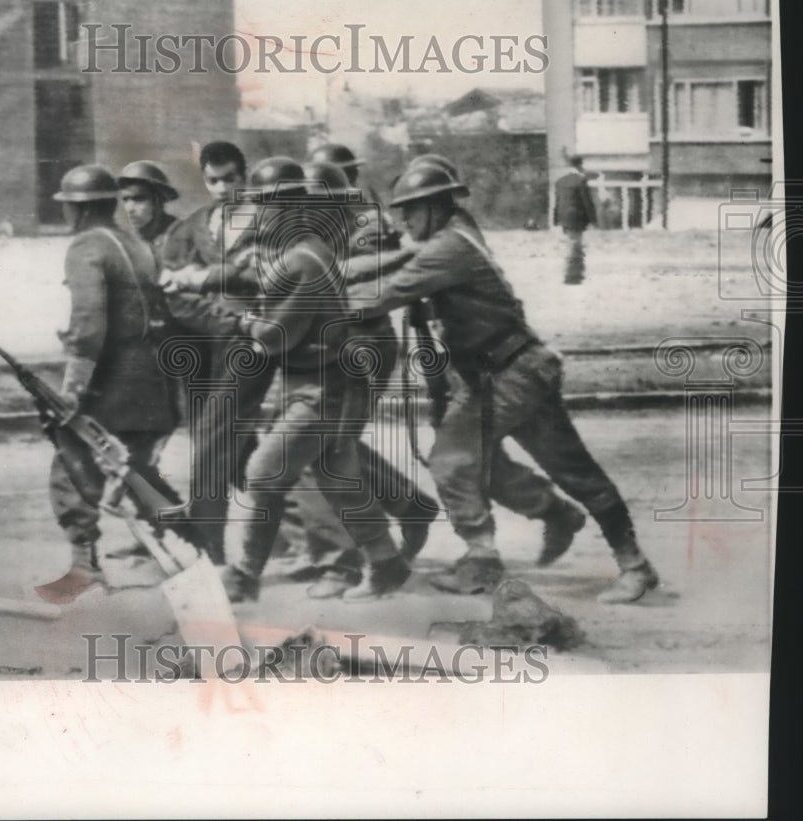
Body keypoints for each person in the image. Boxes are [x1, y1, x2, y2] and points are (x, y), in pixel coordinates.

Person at [347, 163, 659, 604]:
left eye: (412, 211)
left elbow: (380, 296)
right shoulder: (456, 232)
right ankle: (614, 551)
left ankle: (483, 561)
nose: (404, 221)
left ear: (437, 207)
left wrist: (308, 295)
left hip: (509, 375)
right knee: (542, 468)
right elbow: (399, 259)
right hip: (517, 368)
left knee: (453, 462)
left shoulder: (448, 249)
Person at [216, 158, 410, 603]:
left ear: (288, 211)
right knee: (337, 477)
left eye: (265, 206)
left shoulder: (304, 260)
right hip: (321, 382)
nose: (258, 216)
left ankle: (245, 575)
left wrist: (243, 323)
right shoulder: (300, 253)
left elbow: (275, 336)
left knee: (264, 472)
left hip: (325, 387)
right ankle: (387, 563)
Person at [36, 165, 184, 604]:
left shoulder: (85, 246)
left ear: (79, 210)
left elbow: (88, 323)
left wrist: (73, 389)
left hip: (111, 377)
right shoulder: (137, 243)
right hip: (152, 374)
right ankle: (195, 548)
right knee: (136, 469)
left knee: (72, 461)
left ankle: (84, 566)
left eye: (69, 208)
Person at [159, 141, 275, 564]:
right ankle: (301, 528)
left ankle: (208, 549)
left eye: (231, 178)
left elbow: (270, 279)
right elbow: (170, 288)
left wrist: (210, 290)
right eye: (214, 180)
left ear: (244, 176)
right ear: (204, 180)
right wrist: (219, 313)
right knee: (240, 445)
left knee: (211, 440)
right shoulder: (192, 227)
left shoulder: (269, 222)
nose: (223, 188)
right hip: (207, 344)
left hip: (254, 343)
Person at [117, 160, 180, 270]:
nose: (130, 208)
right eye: (125, 200)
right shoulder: (127, 242)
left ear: (157, 201)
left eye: (139, 199)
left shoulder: (184, 235)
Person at [553, 155, 600, 285]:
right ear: (580, 165)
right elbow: (587, 202)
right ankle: (572, 276)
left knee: (572, 244)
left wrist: (555, 219)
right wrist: (593, 220)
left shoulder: (560, 181)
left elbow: (557, 202)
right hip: (576, 217)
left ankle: (576, 275)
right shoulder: (580, 180)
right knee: (575, 245)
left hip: (564, 217)